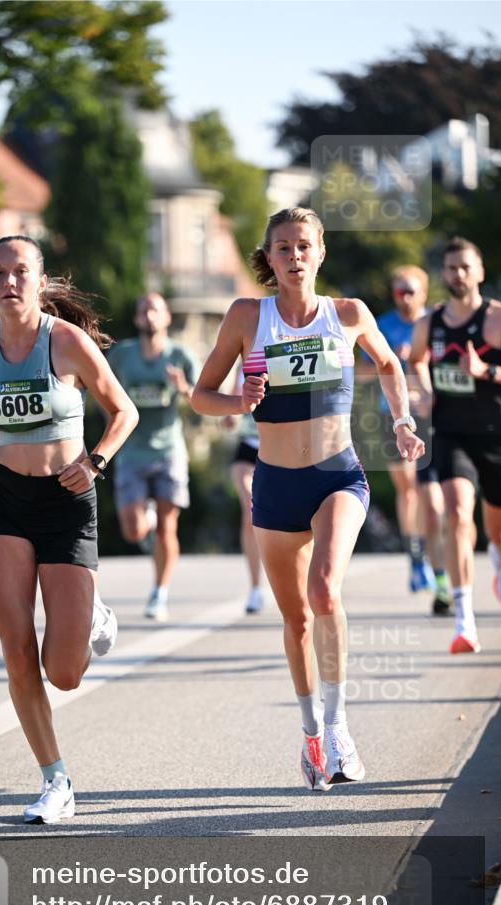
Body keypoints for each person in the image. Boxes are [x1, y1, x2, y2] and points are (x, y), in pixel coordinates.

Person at [192, 207, 424, 791]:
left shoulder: (347, 314)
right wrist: (239, 401)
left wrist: (402, 421)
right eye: (283, 247)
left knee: (324, 591)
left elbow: (390, 363)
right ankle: (311, 733)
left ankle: (340, 726)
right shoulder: (248, 316)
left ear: (320, 253)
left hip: (336, 476)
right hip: (275, 484)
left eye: (304, 246)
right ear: (269, 258)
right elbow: (201, 395)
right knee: (295, 619)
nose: (294, 256)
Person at [0, 234, 138, 823]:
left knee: (65, 673)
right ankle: (56, 780)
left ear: (40, 279)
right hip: (5, 500)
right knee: (16, 647)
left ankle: (93, 615)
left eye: (20, 271)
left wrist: (96, 461)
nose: (9, 282)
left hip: (67, 501)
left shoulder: (67, 343)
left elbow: (123, 411)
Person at [410, 237, 501, 654]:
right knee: (458, 513)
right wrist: (424, 390)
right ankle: (465, 622)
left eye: (466, 267)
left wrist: (486, 371)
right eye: (451, 267)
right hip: (450, 434)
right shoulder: (429, 324)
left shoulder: (498, 319)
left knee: (498, 529)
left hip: (497, 434)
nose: (458, 274)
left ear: (479, 271)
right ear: (443, 273)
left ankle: (498, 556)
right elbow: (415, 361)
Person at [361, 266, 451, 613]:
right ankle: (415, 556)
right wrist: (391, 360)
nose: (406, 297)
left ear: (424, 293)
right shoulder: (382, 324)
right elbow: (362, 371)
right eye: (400, 291)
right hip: (394, 417)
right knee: (409, 489)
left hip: (432, 414)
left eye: (411, 291)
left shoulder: (435, 322)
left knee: (432, 496)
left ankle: (435, 561)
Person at [108, 292, 199, 621]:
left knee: (167, 528)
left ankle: (159, 594)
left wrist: (183, 387)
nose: (149, 316)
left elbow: (203, 399)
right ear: (136, 318)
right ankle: (144, 519)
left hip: (168, 451)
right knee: (133, 531)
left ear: (166, 317)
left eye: (155, 310)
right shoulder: (121, 355)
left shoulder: (180, 355)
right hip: (131, 451)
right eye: (143, 310)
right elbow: (102, 390)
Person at [222, 368, 264, 614]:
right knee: (250, 510)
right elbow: (232, 408)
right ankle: (256, 587)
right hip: (248, 448)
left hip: (282, 448)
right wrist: (230, 418)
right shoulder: (241, 367)